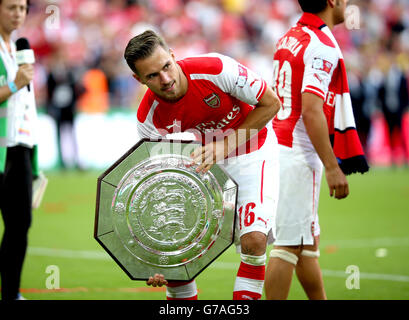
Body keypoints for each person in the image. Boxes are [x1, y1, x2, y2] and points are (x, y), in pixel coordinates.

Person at [124, 30, 281, 300]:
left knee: (254, 241)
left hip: (253, 152)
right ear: (138, 79)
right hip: (203, 167)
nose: (166, 79)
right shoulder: (148, 119)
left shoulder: (216, 69)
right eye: (152, 75)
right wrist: (152, 256)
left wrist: (226, 145)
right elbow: (155, 186)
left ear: (173, 56)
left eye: (166, 67)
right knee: (173, 255)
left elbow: (271, 104)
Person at [264, 0, 369, 300]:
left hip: (280, 144)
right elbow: (312, 110)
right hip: (297, 152)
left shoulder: (291, 35)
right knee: (288, 245)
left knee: (306, 244)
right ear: (332, 1)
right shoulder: (321, 44)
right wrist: (334, 166)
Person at [0, 0, 37, 300]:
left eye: (23, 8)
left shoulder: (21, 51)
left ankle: (11, 293)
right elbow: (15, 88)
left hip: (20, 147)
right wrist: (13, 85)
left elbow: (28, 106)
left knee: (20, 222)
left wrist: (35, 159)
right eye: (11, 7)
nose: (18, 14)